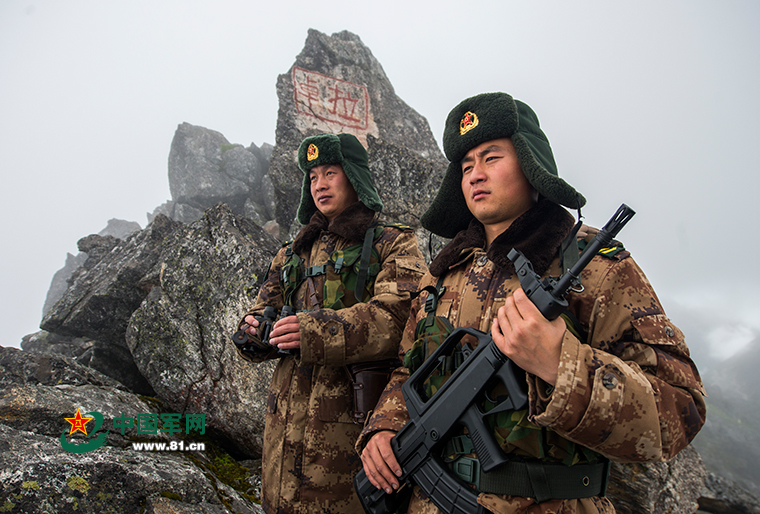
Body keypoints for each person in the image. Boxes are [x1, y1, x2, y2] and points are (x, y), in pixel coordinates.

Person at [358, 92, 706, 514]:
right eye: (466, 166)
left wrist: (562, 365)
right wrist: (385, 426)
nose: (475, 175)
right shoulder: (444, 271)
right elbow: (406, 368)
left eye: (491, 158)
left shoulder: (597, 267)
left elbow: (680, 411)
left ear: (529, 162)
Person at [236, 132, 427, 514]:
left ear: (354, 176)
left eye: (330, 173)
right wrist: (253, 330)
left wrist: (312, 330)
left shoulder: (392, 244)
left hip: (348, 437)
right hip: (281, 441)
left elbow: (400, 316)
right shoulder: (291, 253)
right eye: (312, 177)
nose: (319, 184)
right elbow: (263, 308)